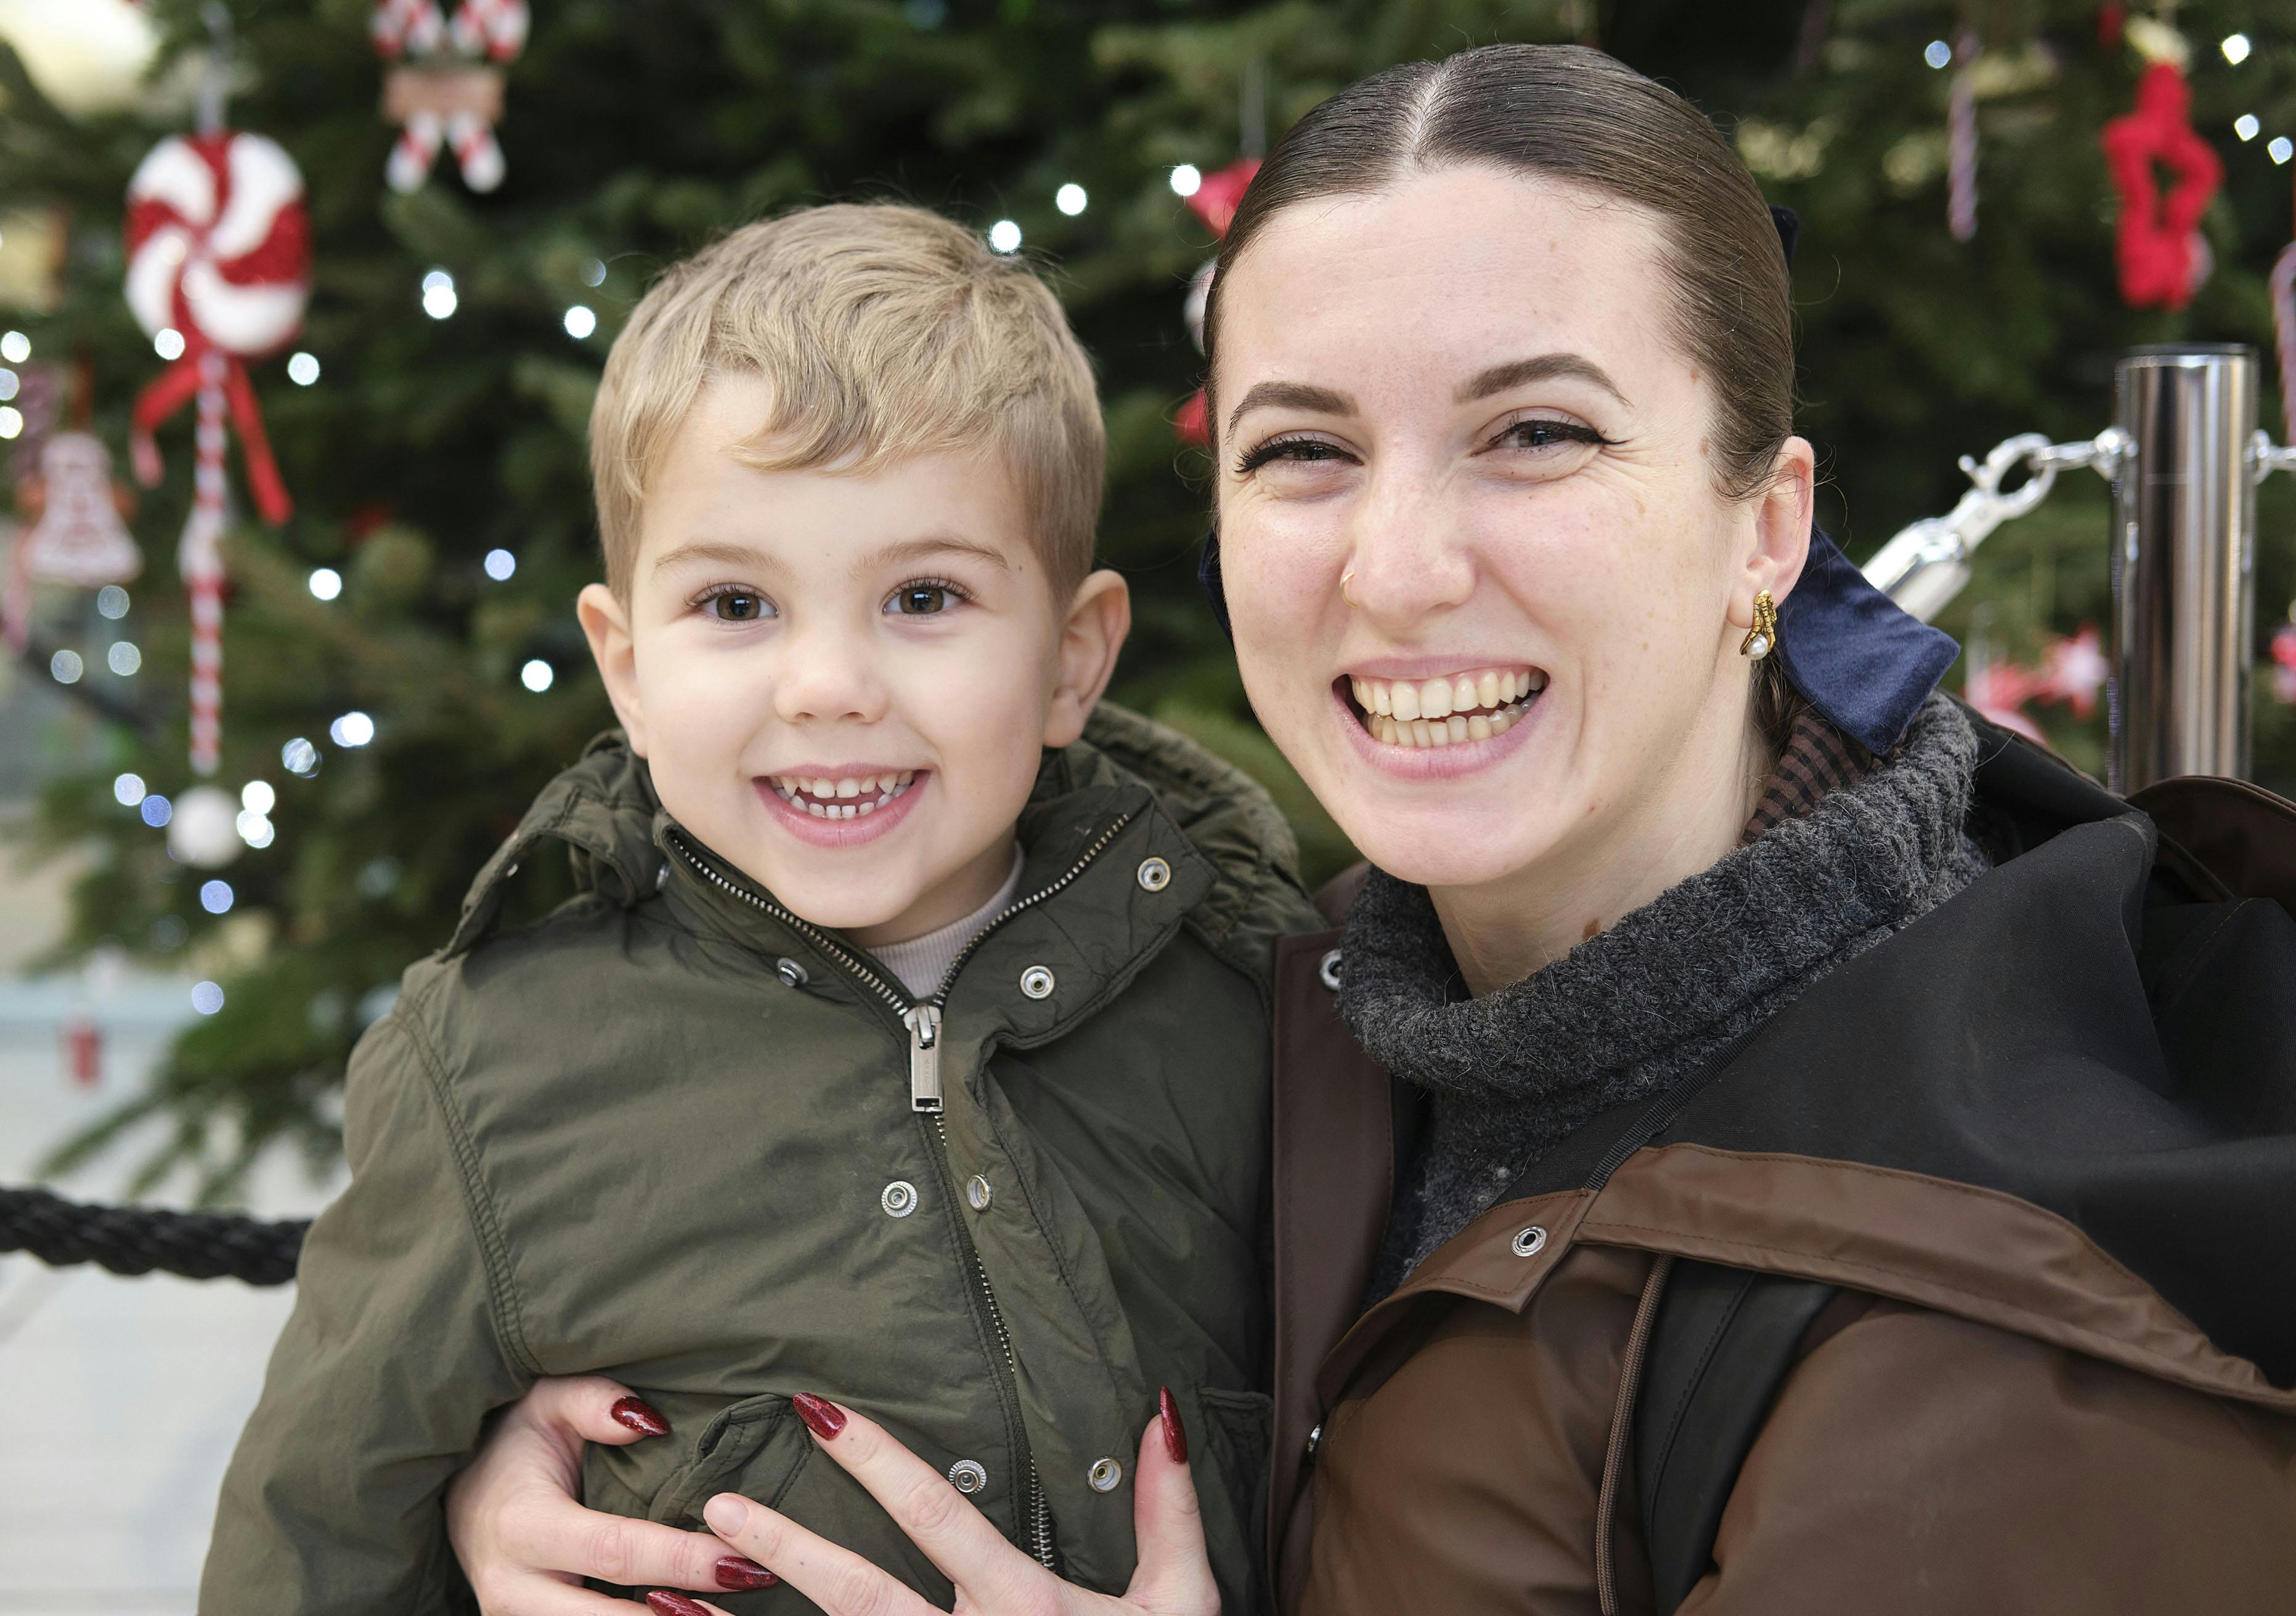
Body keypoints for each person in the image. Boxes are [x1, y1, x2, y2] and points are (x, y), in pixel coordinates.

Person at [442, 44, 2296, 1616]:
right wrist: (542, 1487)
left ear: (1765, 524)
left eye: (1538, 434)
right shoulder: (1306, 991)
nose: (1397, 571)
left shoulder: (1991, 1317)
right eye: (1300, 451)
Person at [198, 202, 1324, 1616]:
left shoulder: (1252, 991)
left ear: (1071, 657)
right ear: (624, 666)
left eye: (923, 595)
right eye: (736, 605)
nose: (827, 685)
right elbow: (314, 1545)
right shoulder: (495, 1061)